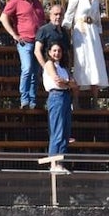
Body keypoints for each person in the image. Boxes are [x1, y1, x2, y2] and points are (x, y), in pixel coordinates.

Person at [0, 0, 46, 109]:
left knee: (36, 72)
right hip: (25, 42)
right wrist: (14, 35)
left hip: (38, 42)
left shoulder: (37, 3)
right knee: (27, 69)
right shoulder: (15, 2)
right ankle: (24, 98)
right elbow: (3, 18)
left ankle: (32, 100)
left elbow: (42, 22)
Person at [62, 0, 109, 99]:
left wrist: (100, 37)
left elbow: (98, 20)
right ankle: (76, 100)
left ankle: (95, 99)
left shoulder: (95, 0)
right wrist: (65, 34)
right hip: (80, 32)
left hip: (93, 33)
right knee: (81, 61)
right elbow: (68, 17)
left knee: (95, 62)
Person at [42, 41, 77, 173]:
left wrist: (67, 83)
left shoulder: (64, 67)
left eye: (59, 51)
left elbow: (74, 84)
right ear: (50, 52)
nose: (57, 53)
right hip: (56, 96)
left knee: (65, 132)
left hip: (66, 97)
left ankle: (60, 163)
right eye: (54, 51)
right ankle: (53, 163)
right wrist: (68, 83)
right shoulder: (49, 64)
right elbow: (57, 80)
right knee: (57, 131)